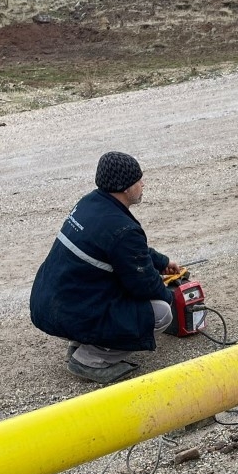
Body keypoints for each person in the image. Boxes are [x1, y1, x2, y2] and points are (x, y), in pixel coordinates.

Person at [30, 152, 179, 384]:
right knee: (160, 313)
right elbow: (144, 285)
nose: (143, 184)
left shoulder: (90, 203)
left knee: (111, 287)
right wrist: (171, 297)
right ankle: (91, 360)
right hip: (68, 313)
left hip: (48, 304)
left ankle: (83, 344)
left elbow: (126, 251)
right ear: (124, 188)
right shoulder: (124, 229)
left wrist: (162, 262)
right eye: (138, 180)